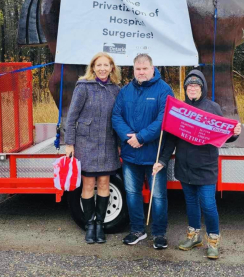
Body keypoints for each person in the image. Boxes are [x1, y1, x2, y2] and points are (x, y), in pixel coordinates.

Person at [152, 69, 241, 259]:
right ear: (185, 89)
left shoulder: (213, 108)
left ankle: (213, 241)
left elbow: (223, 136)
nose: (192, 88)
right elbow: (170, 140)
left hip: (206, 167)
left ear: (203, 88)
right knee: (191, 204)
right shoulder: (179, 109)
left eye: (196, 85)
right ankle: (194, 236)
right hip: (185, 168)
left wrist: (234, 133)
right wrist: (161, 160)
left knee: (208, 205)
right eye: (189, 85)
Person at [112, 54, 174, 249]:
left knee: (158, 196)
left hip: (154, 155)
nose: (141, 72)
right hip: (131, 155)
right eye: (138, 69)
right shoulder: (125, 91)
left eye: (144, 68)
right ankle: (137, 230)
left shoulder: (164, 90)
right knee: (132, 194)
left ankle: (159, 234)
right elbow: (116, 116)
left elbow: (163, 120)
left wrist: (141, 137)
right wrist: (129, 136)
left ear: (152, 68)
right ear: (134, 69)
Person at [65, 52, 121, 244]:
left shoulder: (116, 89)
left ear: (112, 68)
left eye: (106, 65)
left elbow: (119, 118)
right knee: (88, 185)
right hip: (86, 144)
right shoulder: (83, 87)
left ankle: (100, 224)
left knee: (104, 184)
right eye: (99, 65)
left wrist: (121, 144)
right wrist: (69, 143)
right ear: (93, 67)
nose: (103, 68)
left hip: (108, 144)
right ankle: (89, 225)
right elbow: (71, 117)